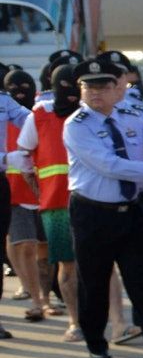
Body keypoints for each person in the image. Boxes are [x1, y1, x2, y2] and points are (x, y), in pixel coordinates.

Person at [60, 55, 143, 358]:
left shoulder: (130, 115)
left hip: (131, 210)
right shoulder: (76, 125)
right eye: (88, 87)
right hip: (93, 213)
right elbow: (107, 164)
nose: (95, 93)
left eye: (103, 86)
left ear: (117, 88)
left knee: (141, 278)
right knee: (93, 280)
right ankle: (96, 342)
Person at [18, 63, 78, 337]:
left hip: (93, 201)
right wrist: (35, 186)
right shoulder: (39, 116)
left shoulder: (92, 115)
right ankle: (75, 322)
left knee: (94, 264)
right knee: (66, 263)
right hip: (56, 203)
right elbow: (23, 154)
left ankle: (102, 318)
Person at [4, 69, 50, 323]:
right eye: (13, 87)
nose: (20, 91)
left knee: (44, 248)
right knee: (26, 246)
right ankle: (37, 301)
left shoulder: (38, 116)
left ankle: (42, 293)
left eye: (25, 86)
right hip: (12, 194)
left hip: (43, 192)